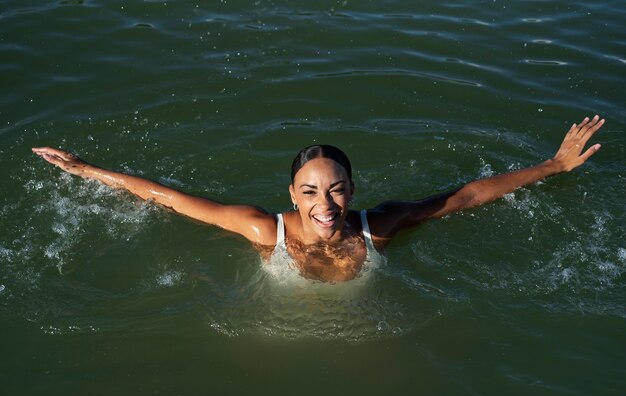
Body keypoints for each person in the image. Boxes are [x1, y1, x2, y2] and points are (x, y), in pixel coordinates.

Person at [32, 115, 605, 282]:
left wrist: (554, 165)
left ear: (353, 190)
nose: (324, 203)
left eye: (335, 189)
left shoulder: (380, 227)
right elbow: (169, 198)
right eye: (310, 191)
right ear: (292, 195)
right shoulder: (264, 230)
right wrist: (83, 170)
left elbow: (464, 197)